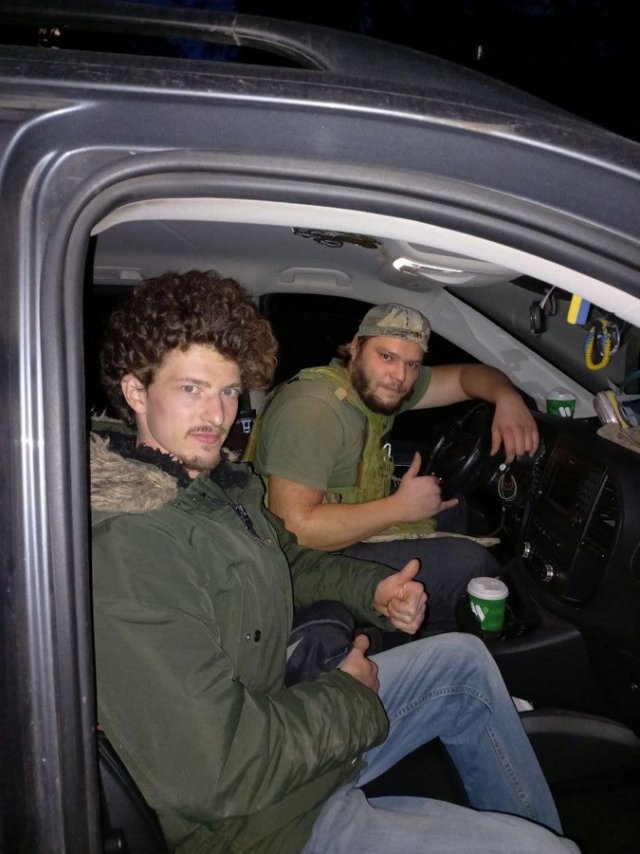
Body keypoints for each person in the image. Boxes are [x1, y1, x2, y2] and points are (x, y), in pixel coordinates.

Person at [90, 270, 578, 854]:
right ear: (136, 392)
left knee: (462, 662)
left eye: (228, 391)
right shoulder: (130, 546)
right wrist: (347, 695)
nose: (217, 415)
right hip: (259, 823)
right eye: (192, 388)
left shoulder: (207, 486)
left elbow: (286, 559)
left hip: (287, 722)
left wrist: (372, 590)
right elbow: (216, 773)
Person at [249, 302, 540, 632]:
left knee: (457, 508)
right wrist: (399, 507)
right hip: (297, 563)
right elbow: (295, 530)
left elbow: (466, 377)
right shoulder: (314, 410)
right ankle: (438, 649)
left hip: (338, 536)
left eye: (412, 364)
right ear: (355, 347)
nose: (399, 376)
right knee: (472, 563)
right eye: (386, 356)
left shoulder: (375, 388)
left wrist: (507, 398)